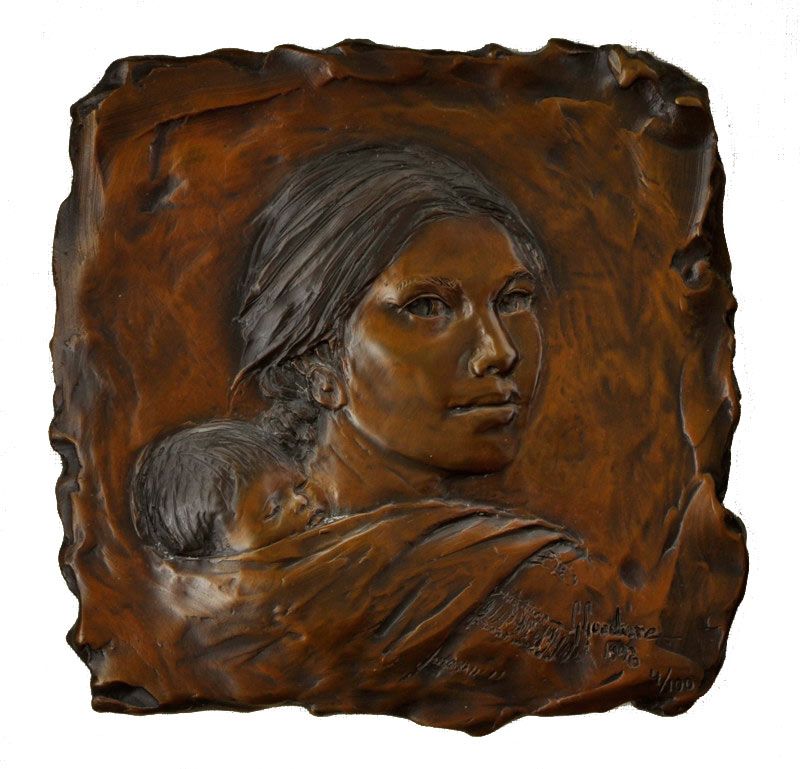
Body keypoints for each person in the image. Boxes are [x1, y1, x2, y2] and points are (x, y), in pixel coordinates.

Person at [133, 143, 558, 554]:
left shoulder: (511, 563)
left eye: (514, 300)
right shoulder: (253, 570)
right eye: (427, 307)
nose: (499, 352)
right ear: (318, 362)